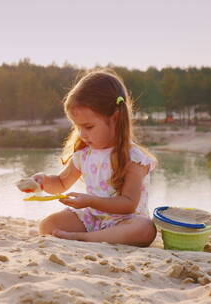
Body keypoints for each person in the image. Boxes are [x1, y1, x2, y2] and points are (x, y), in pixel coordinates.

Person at [34, 69, 158, 247]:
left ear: (114, 118)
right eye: (78, 127)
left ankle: (84, 239)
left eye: (89, 127)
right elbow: (61, 182)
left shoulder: (134, 158)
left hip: (124, 222)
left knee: (145, 229)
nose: (82, 134)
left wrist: (90, 200)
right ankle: (94, 236)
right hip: (91, 218)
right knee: (47, 225)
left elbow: (128, 204)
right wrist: (43, 182)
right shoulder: (84, 155)